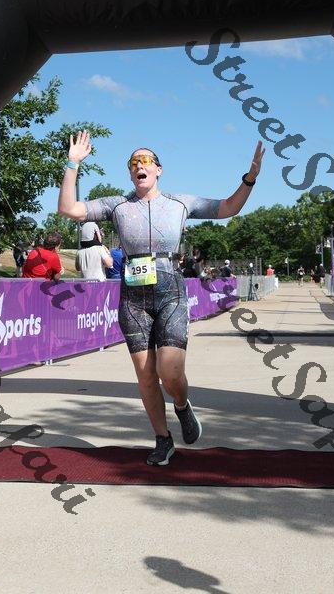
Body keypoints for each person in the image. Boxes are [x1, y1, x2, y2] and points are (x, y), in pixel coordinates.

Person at [58, 130, 265, 466]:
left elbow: (228, 207)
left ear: (159, 169)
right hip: (133, 299)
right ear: (130, 173)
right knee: (145, 375)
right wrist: (73, 163)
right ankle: (162, 439)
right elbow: (68, 208)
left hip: (170, 291)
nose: (139, 166)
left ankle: (182, 405)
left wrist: (249, 179)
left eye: (146, 161)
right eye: (133, 163)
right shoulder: (117, 205)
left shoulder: (180, 203)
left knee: (169, 371)